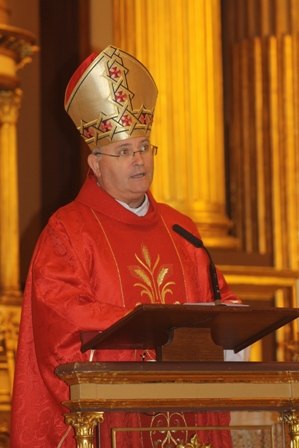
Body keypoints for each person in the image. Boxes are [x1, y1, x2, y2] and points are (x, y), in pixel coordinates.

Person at [11, 45, 242, 448]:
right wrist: (145, 331)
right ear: (95, 163)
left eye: (144, 148)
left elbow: (218, 296)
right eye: (124, 151)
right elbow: (60, 327)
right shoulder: (68, 231)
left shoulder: (180, 228)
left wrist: (233, 319)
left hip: (189, 422)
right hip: (115, 425)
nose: (139, 161)